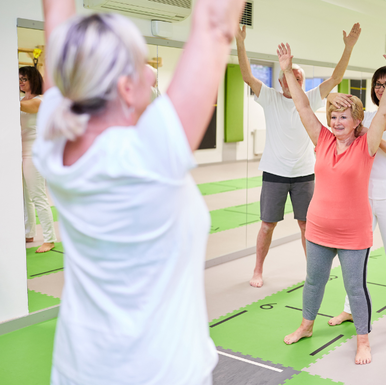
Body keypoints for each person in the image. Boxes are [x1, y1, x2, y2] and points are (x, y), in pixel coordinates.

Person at [35, 0, 244, 383]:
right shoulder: (148, 157)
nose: (153, 73)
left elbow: (56, 14)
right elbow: (216, 22)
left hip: (80, 370)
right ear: (125, 88)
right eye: (144, 63)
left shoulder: (53, 137)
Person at [278, 40, 386, 365]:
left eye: (343, 117)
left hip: (353, 233)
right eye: (333, 116)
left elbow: (383, 113)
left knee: (354, 286)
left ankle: (363, 340)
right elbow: (303, 107)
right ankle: (306, 326)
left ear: (356, 120)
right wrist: (285, 71)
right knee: (314, 281)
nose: (336, 122)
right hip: (319, 227)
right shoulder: (321, 139)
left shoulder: (367, 143)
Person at [235, 23, 361, 288]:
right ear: (282, 80)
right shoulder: (269, 97)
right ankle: (257, 270)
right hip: (275, 174)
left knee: (307, 226)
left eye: (300, 77)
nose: (295, 81)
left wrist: (348, 48)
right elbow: (247, 76)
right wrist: (240, 42)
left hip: (305, 174)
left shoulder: (310, 98)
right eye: (290, 77)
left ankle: (311, 273)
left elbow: (336, 77)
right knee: (267, 225)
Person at [326, 66, 386, 341]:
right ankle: (349, 309)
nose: (380, 88)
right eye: (377, 83)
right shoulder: (365, 115)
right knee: (355, 258)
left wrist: (372, 135)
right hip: (363, 196)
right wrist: (362, 123)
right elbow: (329, 101)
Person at [19, 66, 56, 253]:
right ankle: (28, 233)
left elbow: (20, 107)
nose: (20, 82)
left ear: (33, 80)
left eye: (24, 79)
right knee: (24, 197)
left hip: (33, 153)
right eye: (19, 79)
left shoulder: (39, 101)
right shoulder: (19, 99)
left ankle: (49, 239)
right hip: (19, 152)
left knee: (38, 196)